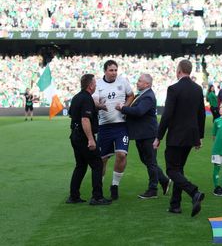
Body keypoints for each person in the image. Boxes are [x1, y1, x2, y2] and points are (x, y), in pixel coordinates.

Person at [153, 59, 206, 217]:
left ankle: (194, 192)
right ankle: (175, 205)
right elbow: (201, 114)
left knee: (171, 169)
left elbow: (167, 115)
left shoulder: (173, 89)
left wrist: (159, 137)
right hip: (191, 136)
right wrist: (200, 137)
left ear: (179, 70)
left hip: (176, 135)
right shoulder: (197, 89)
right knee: (179, 169)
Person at [116, 74, 171, 199]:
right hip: (142, 134)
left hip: (148, 134)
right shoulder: (142, 95)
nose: (137, 82)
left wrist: (122, 108)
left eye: (140, 81)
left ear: (147, 84)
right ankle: (164, 180)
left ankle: (153, 189)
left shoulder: (148, 96)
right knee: (146, 160)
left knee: (150, 162)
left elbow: (139, 111)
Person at [67, 74, 111, 206]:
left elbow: (73, 113)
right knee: (97, 164)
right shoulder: (87, 99)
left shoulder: (77, 97)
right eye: (95, 84)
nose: (96, 86)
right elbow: (85, 119)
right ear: (90, 86)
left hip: (74, 135)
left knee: (80, 166)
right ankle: (97, 197)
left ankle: (74, 196)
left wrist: (98, 107)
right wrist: (91, 139)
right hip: (84, 137)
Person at [92, 60, 134, 200]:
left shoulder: (123, 81)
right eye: (111, 70)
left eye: (115, 70)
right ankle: (99, 188)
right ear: (105, 71)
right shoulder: (98, 83)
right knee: (102, 159)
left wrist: (125, 107)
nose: (114, 73)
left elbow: (131, 95)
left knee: (122, 155)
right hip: (104, 127)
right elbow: (95, 101)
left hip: (121, 125)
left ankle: (115, 185)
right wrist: (100, 106)